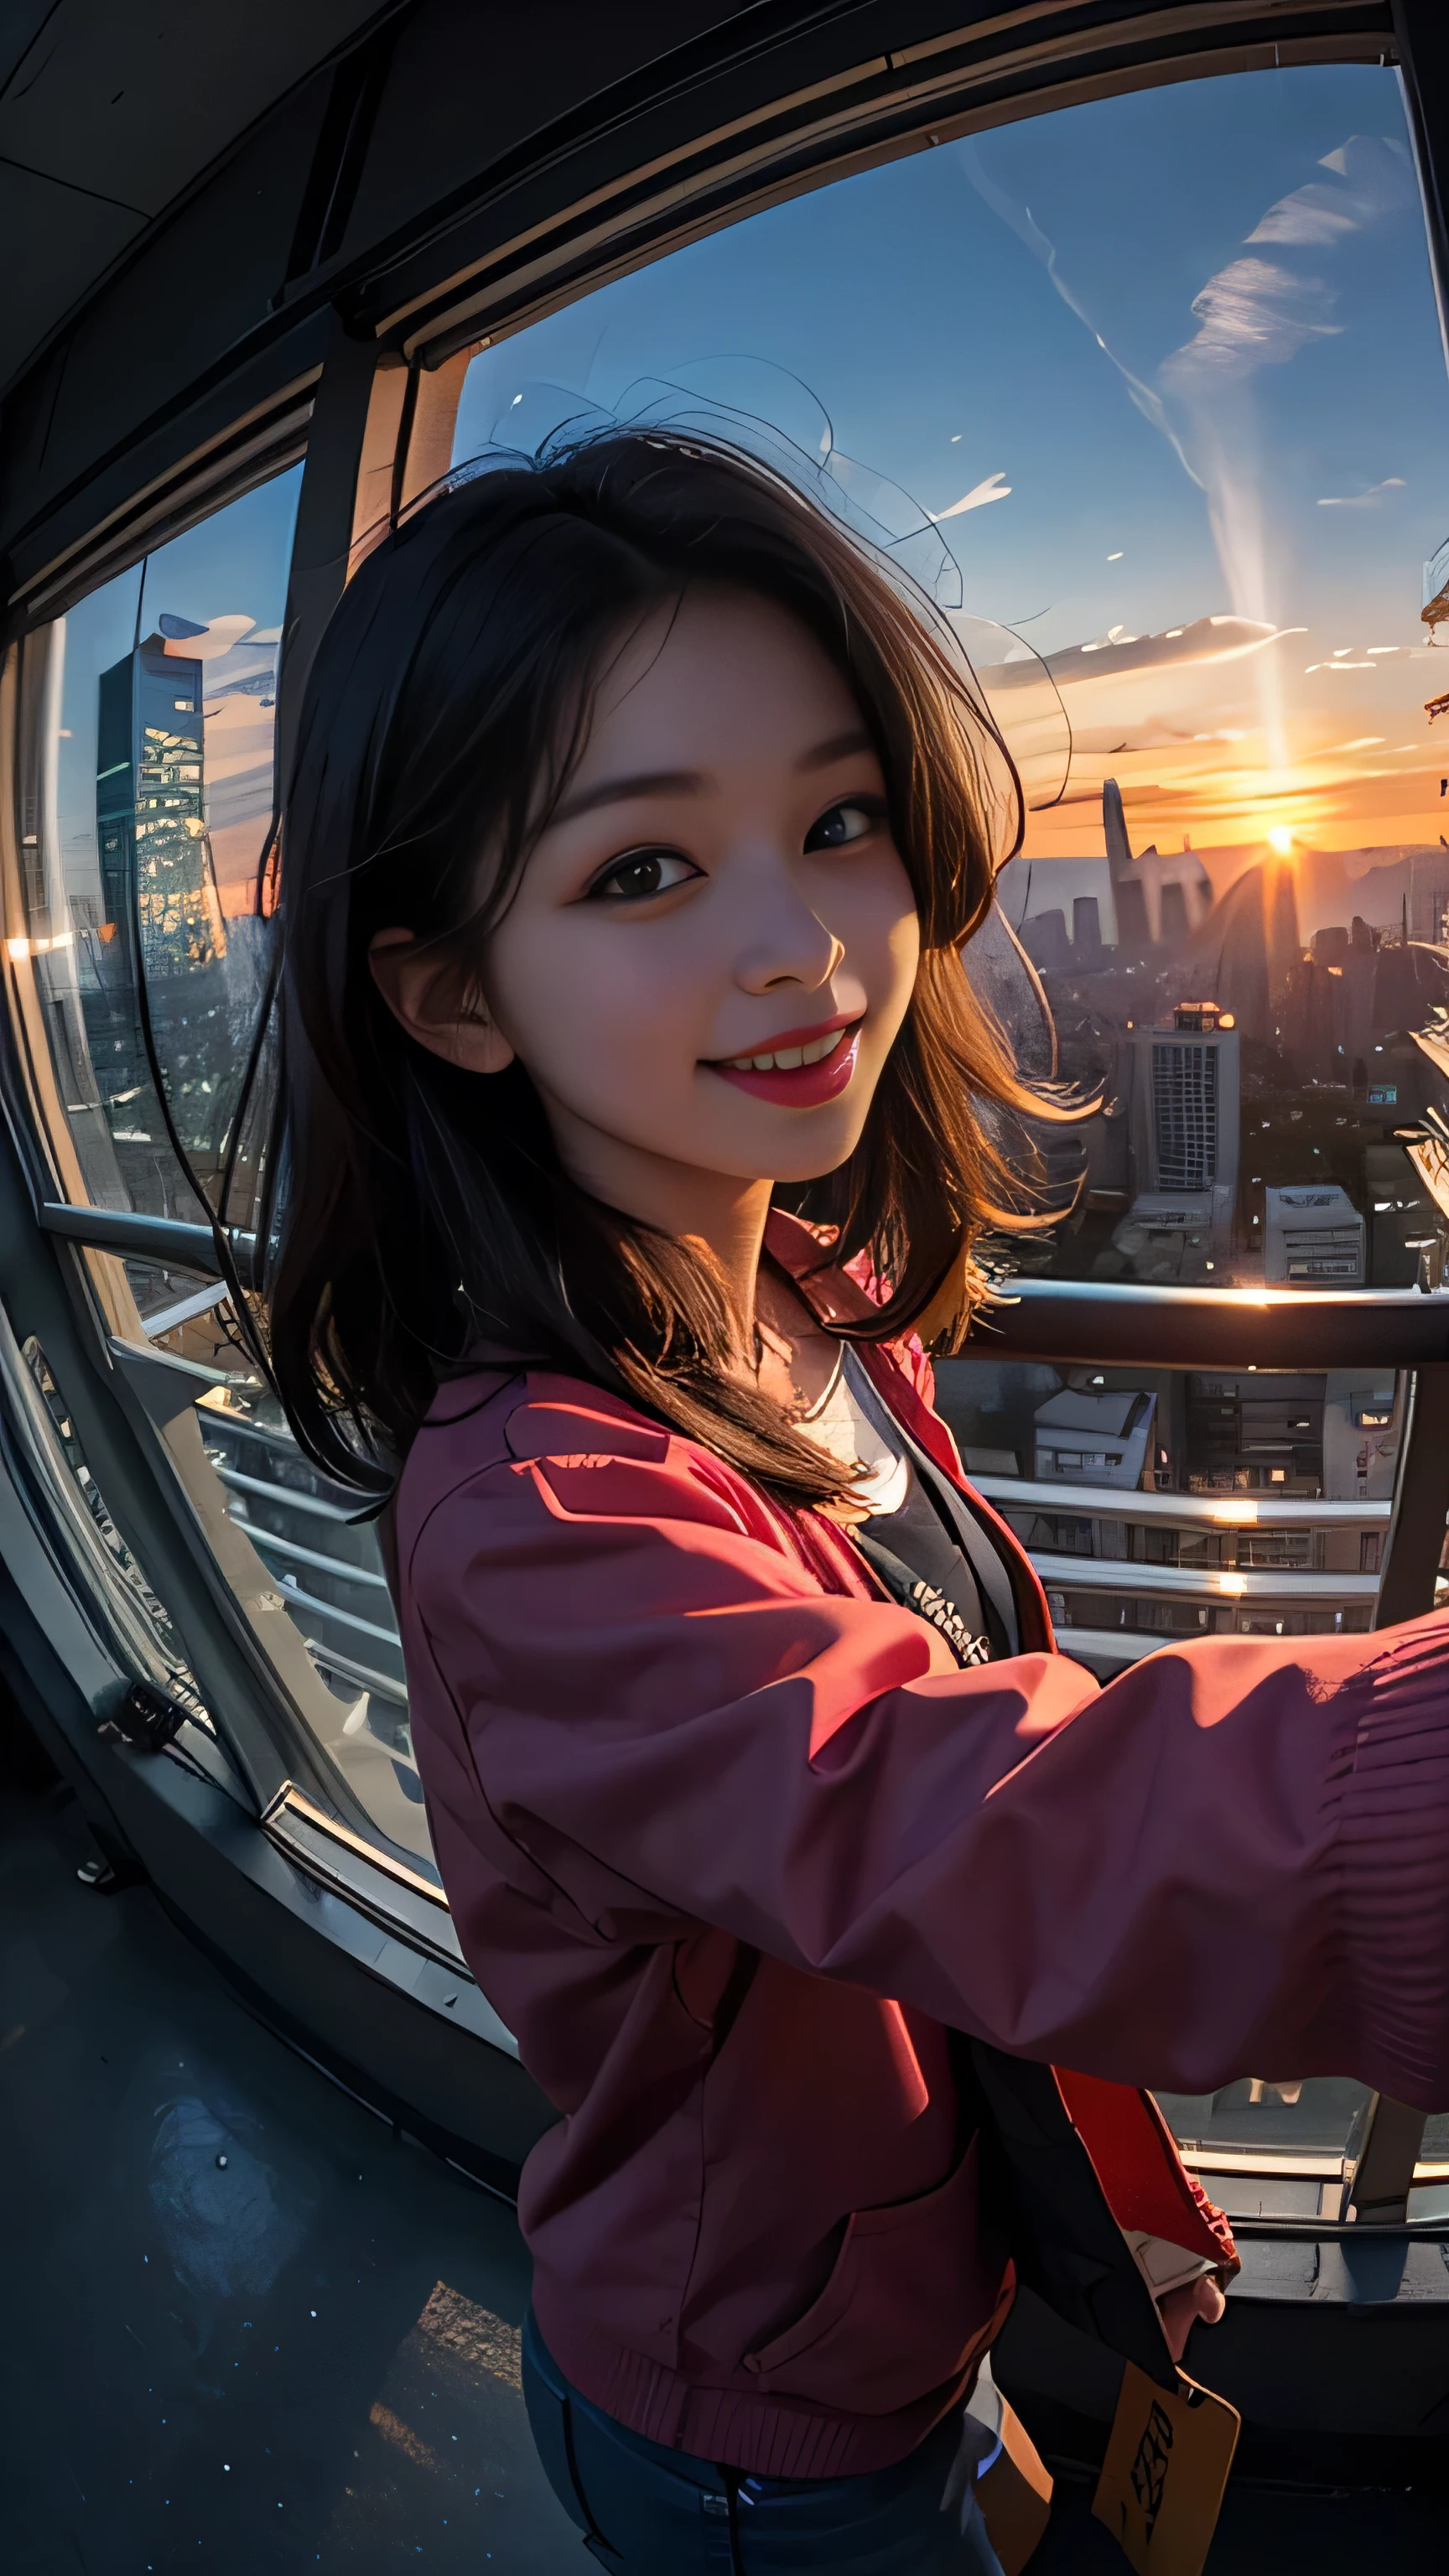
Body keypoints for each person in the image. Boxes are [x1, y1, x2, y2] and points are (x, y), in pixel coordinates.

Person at [262, 430, 1449, 2572]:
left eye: (837, 822)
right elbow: (954, 1811)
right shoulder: (540, 1522)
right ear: (444, 990)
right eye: (642, 871)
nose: (806, 943)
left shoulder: (803, 1294)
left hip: (913, 2309)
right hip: (763, 2427)